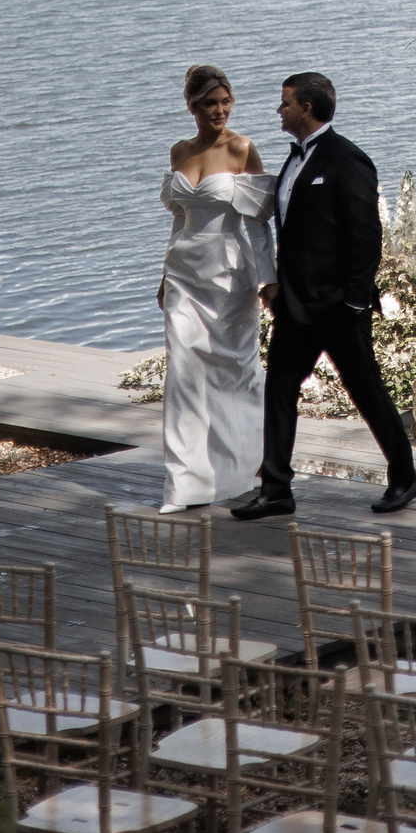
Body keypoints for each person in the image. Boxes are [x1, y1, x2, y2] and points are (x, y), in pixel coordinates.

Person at [231, 72, 416, 519]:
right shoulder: (294, 160)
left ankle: (405, 477)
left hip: (339, 306)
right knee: (279, 389)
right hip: (296, 305)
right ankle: (276, 488)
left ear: (306, 108)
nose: (278, 111)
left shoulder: (347, 159)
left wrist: (354, 301)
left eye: (284, 104)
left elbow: (366, 237)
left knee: (367, 391)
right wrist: (275, 284)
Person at [156, 64, 275, 512]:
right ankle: (185, 484)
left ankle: (251, 464)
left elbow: (260, 227)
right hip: (184, 275)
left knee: (237, 373)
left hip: (230, 278)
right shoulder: (179, 151)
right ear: (191, 106)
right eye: (209, 103)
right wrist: (164, 276)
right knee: (182, 374)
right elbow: (178, 220)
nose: (219, 110)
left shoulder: (242, 149)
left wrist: (269, 279)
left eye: (225, 102)